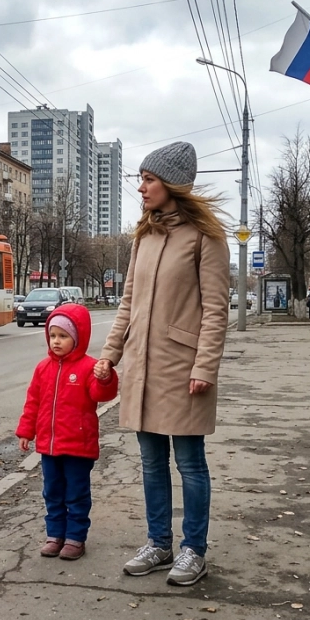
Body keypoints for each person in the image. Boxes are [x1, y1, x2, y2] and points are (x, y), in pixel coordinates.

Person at [94, 141, 231, 587]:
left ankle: (194, 549)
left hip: (184, 366)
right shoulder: (145, 236)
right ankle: (159, 542)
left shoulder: (206, 237)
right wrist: (110, 354)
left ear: (172, 185)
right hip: (142, 366)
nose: (141, 187)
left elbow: (215, 309)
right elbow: (128, 303)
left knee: (190, 462)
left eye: (148, 179)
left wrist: (204, 367)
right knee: (152, 462)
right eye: (141, 178)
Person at [17, 303, 118, 562]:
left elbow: (101, 394)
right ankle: (55, 535)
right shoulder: (43, 368)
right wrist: (26, 431)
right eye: (52, 336)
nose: (56, 342)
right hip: (50, 446)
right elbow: (33, 402)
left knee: (76, 492)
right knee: (52, 491)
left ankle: (75, 537)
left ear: (78, 337)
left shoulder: (88, 367)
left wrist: (106, 378)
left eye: (63, 336)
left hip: (78, 446)